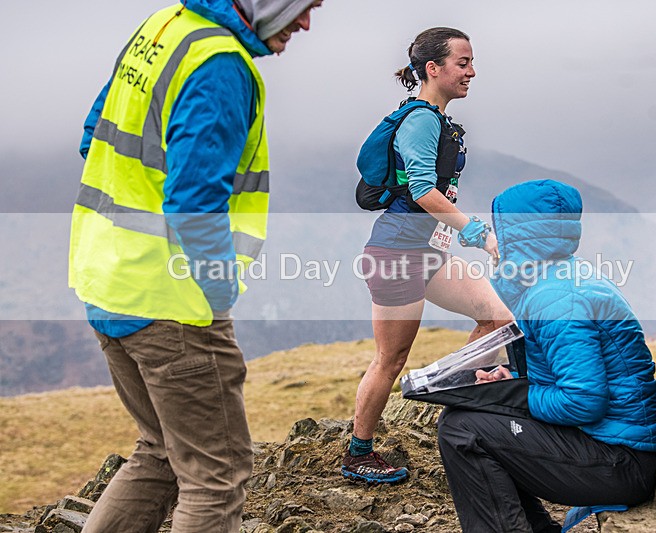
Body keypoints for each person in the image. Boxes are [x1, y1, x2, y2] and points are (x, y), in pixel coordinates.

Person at [68, 1, 323, 531]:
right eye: (301, 5)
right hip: (174, 304)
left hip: (110, 281)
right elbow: (193, 199)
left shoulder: (165, 27)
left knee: (160, 451)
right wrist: (216, 289)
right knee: (216, 475)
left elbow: (93, 132)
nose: (305, 23)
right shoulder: (220, 64)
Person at [436, 180, 656, 532]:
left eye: (502, 229)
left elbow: (584, 400)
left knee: (462, 429)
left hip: (621, 461)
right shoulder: (559, 279)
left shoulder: (556, 300)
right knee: (472, 419)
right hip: (621, 446)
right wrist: (510, 381)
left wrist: (516, 395)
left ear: (519, 235)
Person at [342, 27, 514, 484]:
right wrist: (481, 234)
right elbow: (422, 191)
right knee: (390, 359)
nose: (472, 71)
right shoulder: (420, 120)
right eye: (463, 63)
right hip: (396, 252)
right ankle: (359, 454)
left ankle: (452, 400)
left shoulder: (438, 120)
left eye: (472, 62)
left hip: (429, 253)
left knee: (499, 316)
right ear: (433, 69)